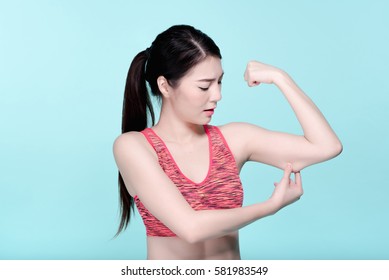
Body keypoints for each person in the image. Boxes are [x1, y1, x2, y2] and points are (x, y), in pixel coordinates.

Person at [113, 25, 342, 260]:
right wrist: (269, 207)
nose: (217, 95)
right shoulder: (134, 147)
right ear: (164, 86)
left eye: (219, 82)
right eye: (204, 86)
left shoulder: (234, 139)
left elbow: (327, 146)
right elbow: (191, 228)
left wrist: (280, 78)